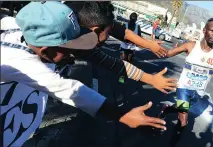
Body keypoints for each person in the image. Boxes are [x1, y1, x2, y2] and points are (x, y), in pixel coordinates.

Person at [0, 2, 170, 146]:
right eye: (70, 50)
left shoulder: (39, 34)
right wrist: (122, 115)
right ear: (46, 52)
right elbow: (73, 90)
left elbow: (8, 21)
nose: (74, 54)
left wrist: (149, 77)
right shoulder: (24, 64)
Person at [66, 1, 177, 94]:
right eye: (108, 34)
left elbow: (115, 61)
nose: (108, 37)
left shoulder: (91, 29)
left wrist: (151, 78)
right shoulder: (64, 37)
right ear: (95, 30)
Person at [162, 18, 213, 146]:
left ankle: (166, 110)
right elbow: (167, 53)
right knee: (183, 121)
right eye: (212, 31)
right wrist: (153, 47)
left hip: (198, 92)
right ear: (204, 30)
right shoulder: (190, 46)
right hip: (183, 88)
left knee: (183, 106)